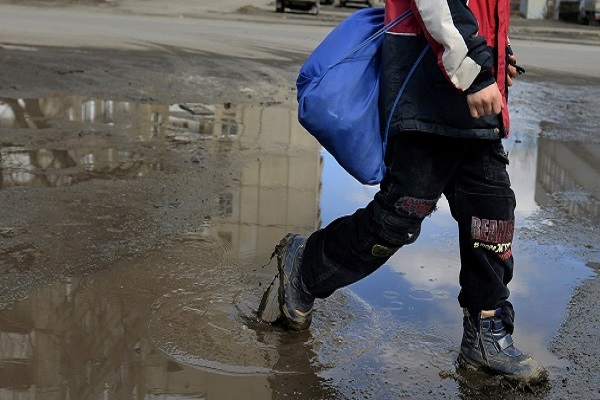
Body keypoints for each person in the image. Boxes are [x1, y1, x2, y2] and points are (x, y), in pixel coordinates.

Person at [258, 0, 548, 385]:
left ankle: (485, 332)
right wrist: (476, 69)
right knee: (396, 220)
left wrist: (498, 54)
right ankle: (307, 265)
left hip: (475, 106)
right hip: (427, 96)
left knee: (493, 220)